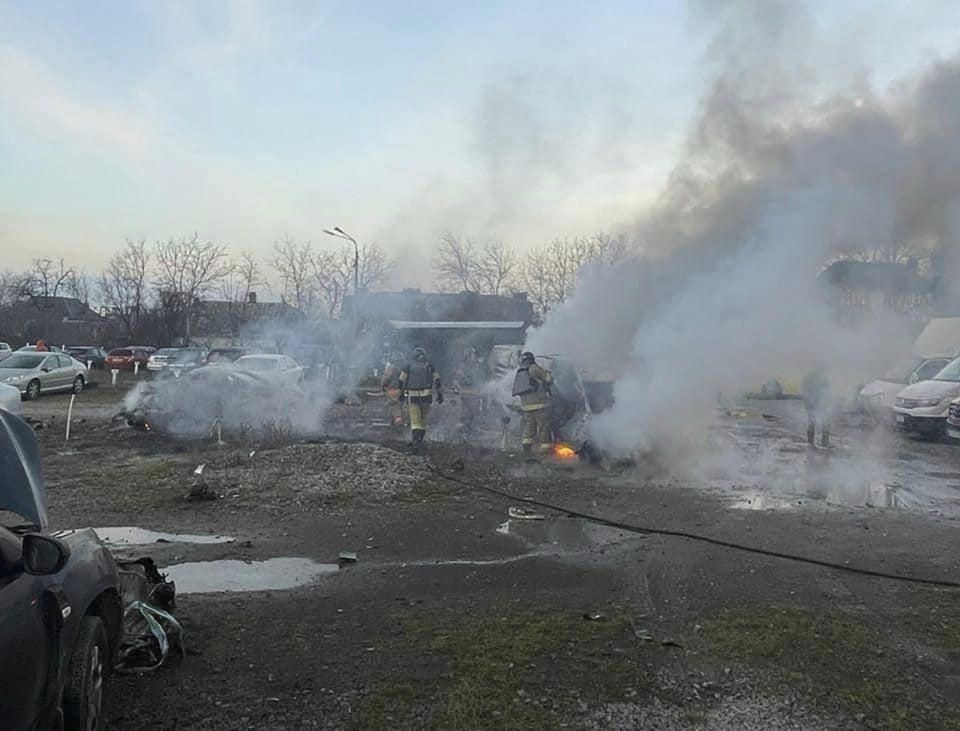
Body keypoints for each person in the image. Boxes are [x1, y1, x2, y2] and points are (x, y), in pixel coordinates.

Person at [512, 351, 554, 456]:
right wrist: (550, 373)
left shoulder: (520, 371)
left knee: (529, 427)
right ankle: (545, 451)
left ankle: (527, 450)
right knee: (544, 426)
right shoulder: (534, 368)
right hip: (540, 404)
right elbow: (548, 378)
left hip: (526, 406)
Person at [398, 346, 443, 444]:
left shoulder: (408, 366)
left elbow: (401, 380)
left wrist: (401, 393)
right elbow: (437, 380)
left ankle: (415, 440)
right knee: (424, 418)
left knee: (415, 418)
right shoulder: (430, 366)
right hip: (427, 396)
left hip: (413, 395)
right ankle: (420, 439)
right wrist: (440, 394)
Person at [454, 347, 487, 435]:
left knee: (470, 415)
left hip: (472, 395)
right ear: (468, 356)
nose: (475, 357)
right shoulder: (465, 368)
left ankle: (466, 432)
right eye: (473, 355)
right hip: (469, 395)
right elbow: (457, 380)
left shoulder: (473, 367)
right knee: (469, 414)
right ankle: (463, 432)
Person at [802, 367, 831, 448]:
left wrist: (826, 402)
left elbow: (827, 392)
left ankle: (824, 442)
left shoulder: (824, 379)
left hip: (821, 402)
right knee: (812, 420)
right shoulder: (808, 379)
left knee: (825, 420)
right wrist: (809, 403)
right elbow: (805, 392)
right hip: (811, 402)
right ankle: (811, 442)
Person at [381, 350, 405, 428]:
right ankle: (394, 424)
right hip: (402, 390)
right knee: (399, 407)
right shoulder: (405, 368)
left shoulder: (391, 367)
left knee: (394, 407)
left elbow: (387, 378)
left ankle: (397, 427)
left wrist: (383, 385)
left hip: (392, 390)